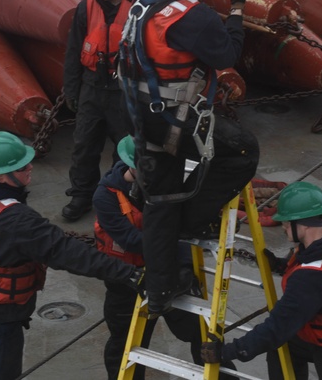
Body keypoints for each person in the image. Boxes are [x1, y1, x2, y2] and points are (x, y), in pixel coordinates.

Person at [120, 0, 259, 315]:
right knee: (237, 152)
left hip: (139, 113)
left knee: (159, 192)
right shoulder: (192, 15)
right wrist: (237, 4)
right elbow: (227, 55)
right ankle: (192, 218)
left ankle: (161, 285)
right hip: (177, 126)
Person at [0, 131, 144, 380]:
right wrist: (130, 273)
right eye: (21, 167)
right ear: (0, 175)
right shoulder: (16, 221)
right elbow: (68, 253)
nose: (30, 167)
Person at [93, 136, 238, 380]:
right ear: (134, 167)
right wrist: (173, 238)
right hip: (127, 281)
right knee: (125, 344)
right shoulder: (106, 197)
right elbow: (131, 240)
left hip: (171, 272)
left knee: (202, 335)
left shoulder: (164, 185)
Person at [200, 182, 322, 380]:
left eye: (286, 221)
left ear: (302, 223)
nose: (283, 226)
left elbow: (277, 327)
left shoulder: (311, 280)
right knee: (282, 348)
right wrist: (282, 265)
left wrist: (228, 352)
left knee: (278, 338)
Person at [62, 0, 135, 221]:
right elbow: (73, 51)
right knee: (84, 144)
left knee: (124, 147)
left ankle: (120, 195)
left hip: (123, 89)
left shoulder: (136, 8)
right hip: (92, 86)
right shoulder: (86, 7)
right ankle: (81, 195)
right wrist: (71, 90)